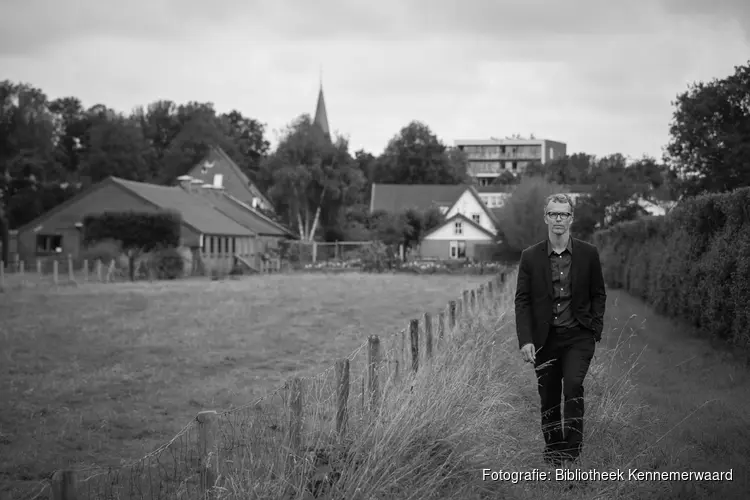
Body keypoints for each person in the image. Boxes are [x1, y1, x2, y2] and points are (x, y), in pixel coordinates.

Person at [514, 193, 607, 466]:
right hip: (545, 339)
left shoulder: (588, 254)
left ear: (571, 219)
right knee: (549, 397)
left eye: (563, 214)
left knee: (574, 387)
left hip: (579, 336)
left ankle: (572, 452)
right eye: (553, 213)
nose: (558, 219)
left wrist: (595, 329)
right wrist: (525, 340)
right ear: (546, 218)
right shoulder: (530, 257)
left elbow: (598, 294)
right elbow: (522, 301)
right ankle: (554, 453)